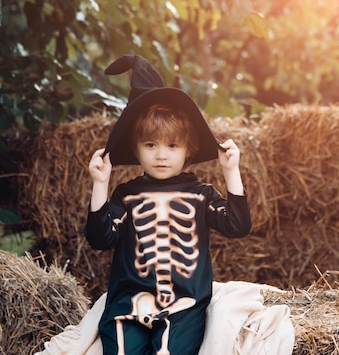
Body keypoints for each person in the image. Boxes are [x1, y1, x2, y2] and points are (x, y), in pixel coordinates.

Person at [84, 54, 252, 355]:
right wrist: (100, 185)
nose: (161, 155)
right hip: (128, 303)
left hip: (184, 306)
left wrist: (231, 172)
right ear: (135, 149)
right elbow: (100, 238)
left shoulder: (201, 195)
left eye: (172, 145)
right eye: (150, 145)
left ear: (190, 149)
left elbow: (238, 226)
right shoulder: (126, 194)